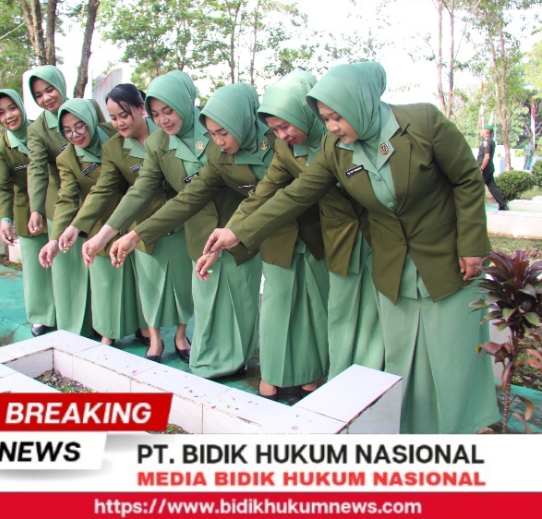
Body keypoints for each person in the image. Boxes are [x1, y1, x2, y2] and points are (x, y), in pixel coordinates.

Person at [203, 62, 500, 434]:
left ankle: (465, 432)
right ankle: (415, 432)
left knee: (453, 354)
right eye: (325, 119)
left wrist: (471, 243)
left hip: (448, 258)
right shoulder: (335, 148)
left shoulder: (423, 123)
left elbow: (467, 178)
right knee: (404, 358)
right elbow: (296, 195)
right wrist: (237, 233)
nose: (331, 127)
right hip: (393, 264)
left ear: (359, 103)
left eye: (336, 117)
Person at [198, 72, 384, 395]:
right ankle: (347, 392)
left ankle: (374, 388)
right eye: (274, 130)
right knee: (339, 320)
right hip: (338, 240)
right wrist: (232, 231)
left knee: (375, 319)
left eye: (286, 126)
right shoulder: (285, 149)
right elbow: (268, 194)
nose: (281, 135)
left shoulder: (339, 138)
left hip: (374, 237)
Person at [83, 71, 258, 376]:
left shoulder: (216, 126)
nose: (163, 120)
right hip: (199, 231)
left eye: (169, 111)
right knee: (207, 303)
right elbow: (140, 191)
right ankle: (212, 363)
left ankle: (237, 359)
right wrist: (105, 234)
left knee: (240, 299)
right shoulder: (158, 144)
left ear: (184, 102)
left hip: (238, 224)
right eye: (155, 114)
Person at [64, 83, 190, 357]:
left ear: (141, 108)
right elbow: (103, 189)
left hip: (181, 220)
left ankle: (182, 337)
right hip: (142, 224)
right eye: (113, 117)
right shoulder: (114, 148)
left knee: (183, 284)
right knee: (150, 287)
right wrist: (77, 226)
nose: (119, 122)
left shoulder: (168, 131)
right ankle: (155, 340)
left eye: (124, 114)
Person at [36, 98, 150, 345]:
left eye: (80, 126)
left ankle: (144, 328)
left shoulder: (114, 132)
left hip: (136, 214)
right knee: (107, 280)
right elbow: (67, 199)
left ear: (90, 120)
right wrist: (56, 238)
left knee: (140, 276)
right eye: (67, 130)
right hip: (99, 220)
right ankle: (108, 333)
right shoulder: (67, 158)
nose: (75, 134)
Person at [26, 65, 105, 337]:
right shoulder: (37, 129)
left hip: (101, 196)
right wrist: (36, 209)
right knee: (68, 268)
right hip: (64, 200)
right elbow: (37, 169)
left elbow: (108, 141)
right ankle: (73, 328)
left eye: (49, 89)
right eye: (39, 95)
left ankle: (105, 323)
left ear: (61, 85)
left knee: (100, 263)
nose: (46, 98)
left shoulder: (89, 107)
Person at [0, 89, 55, 337]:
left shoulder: (42, 129)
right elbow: (3, 187)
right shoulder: (0, 149)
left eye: (12, 108)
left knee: (63, 263)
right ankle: (41, 316)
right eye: (1, 112)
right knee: (35, 268)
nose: (9, 116)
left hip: (57, 206)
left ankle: (68, 313)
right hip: (26, 213)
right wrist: (5, 219)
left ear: (21, 106)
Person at [477, 124, 508, 211]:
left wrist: (481, 169)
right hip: (489, 167)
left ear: (487, 132)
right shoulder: (490, 141)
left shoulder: (487, 141)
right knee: (492, 187)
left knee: (477, 187)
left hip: (485, 168)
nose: (481, 131)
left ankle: (476, 206)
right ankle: (503, 205)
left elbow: (487, 157)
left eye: (482, 130)